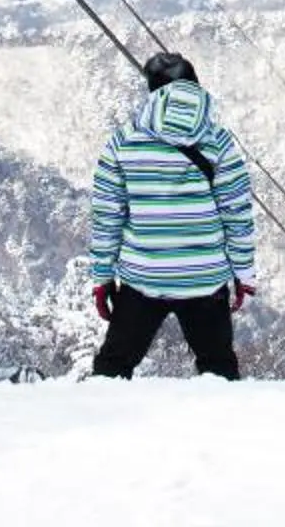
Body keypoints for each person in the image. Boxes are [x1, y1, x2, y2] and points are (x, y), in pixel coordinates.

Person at [88, 50, 258, 380]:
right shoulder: (219, 141)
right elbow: (237, 215)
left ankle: (101, 424)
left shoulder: (123, 141)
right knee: (218, 366)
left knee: (113, 366)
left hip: (143, 278)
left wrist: (102, 277)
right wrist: (244, 274)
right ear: (195, 88)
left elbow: (107, 217)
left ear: (153, 92)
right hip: (205, 279)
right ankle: (225, 427)